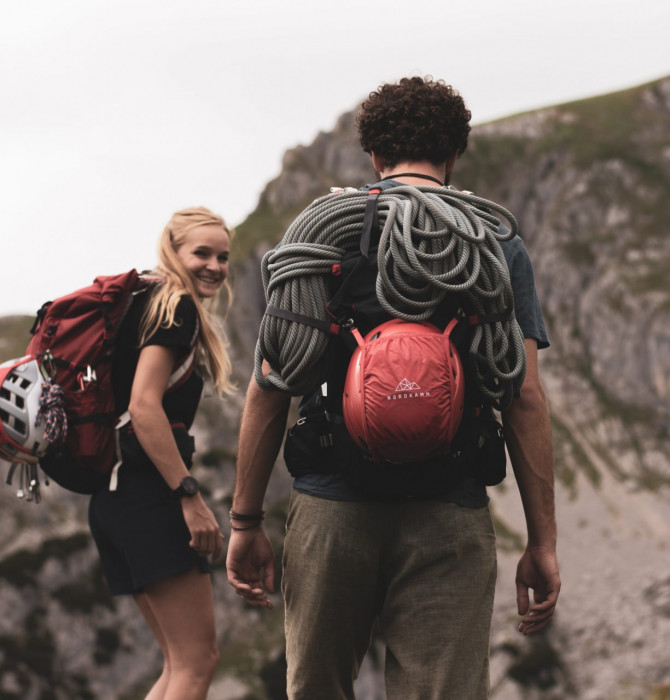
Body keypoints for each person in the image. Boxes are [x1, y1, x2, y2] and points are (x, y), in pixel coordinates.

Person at [226, 77, 561, 699]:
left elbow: (270, 387)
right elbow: (524, 398)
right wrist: (542, 541)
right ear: (454, 154)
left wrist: (245, 521)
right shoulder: (494, 242)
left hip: (332, 504)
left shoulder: (323, 232)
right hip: (450, 508)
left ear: (374, 157)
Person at [89, 207, 232, 700]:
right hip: (148, 494)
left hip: (112, 498)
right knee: (197, 662)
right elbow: (144, 406)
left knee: (178, 664)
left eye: (223, 257)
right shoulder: (176, 307)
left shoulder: (141, 300)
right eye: (202, 253)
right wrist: (188, 495)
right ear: (173, 250)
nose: (214, 265)